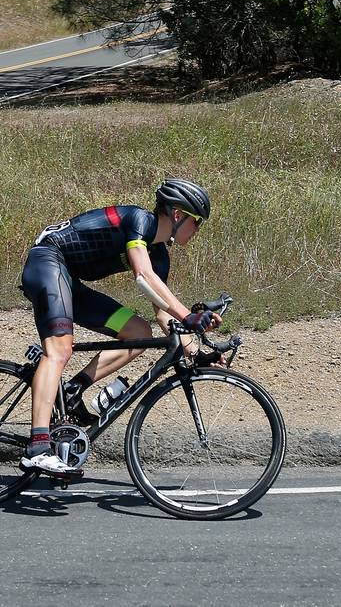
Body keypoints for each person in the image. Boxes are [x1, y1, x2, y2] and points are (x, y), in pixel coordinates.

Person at [17, 179, 220, 476]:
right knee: (59, 350)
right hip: (47, 262)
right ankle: (38, 448)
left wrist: (197, 351)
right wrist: (188, 315)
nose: (198, 230)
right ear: (178, 215)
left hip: (68, 281)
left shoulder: (160, 254)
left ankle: (73, 388)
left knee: (139, 333)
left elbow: (165, 318)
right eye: (197, 222)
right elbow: (142, 274)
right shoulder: (139, 221)